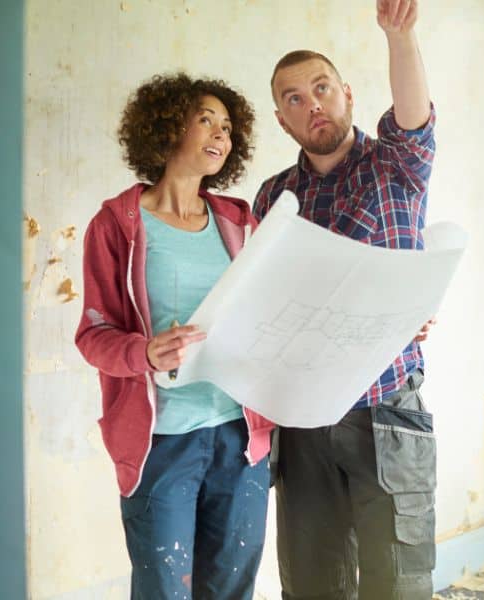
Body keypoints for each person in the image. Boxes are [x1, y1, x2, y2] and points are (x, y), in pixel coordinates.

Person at [252, 1, 437, 597]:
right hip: (303, 417)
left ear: (348, 94)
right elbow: (264, 303)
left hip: (385, 406)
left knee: (397, 581)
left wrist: (400, 36)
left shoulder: (395, 165)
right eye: (295, 99)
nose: (313, 105)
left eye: (322, 88)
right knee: (312, 582)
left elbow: (413, 117)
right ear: (282, 119)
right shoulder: (273, 198)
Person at [75, 73, 276, 599]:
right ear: (167, 128)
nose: (220, 134)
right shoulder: (117, 223)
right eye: (205, 119)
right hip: (161, 442)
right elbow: (93, 335)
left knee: (232, 588)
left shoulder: (239, 222)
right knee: (166, 589)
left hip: (240, 437)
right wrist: (144, 352)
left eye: (228, 126)